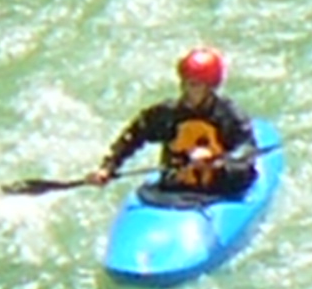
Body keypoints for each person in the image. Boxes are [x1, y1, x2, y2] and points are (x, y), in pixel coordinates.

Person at [87, 47, 259, 200]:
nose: (186, 90)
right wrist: (108, 167)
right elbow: (133, 136)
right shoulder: (168, 114)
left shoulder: (230, 117)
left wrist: (216, 162)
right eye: (184, 82)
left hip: (219, 191)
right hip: (173, 192)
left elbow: (246, 155)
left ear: (209, 87)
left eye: (194, 85)